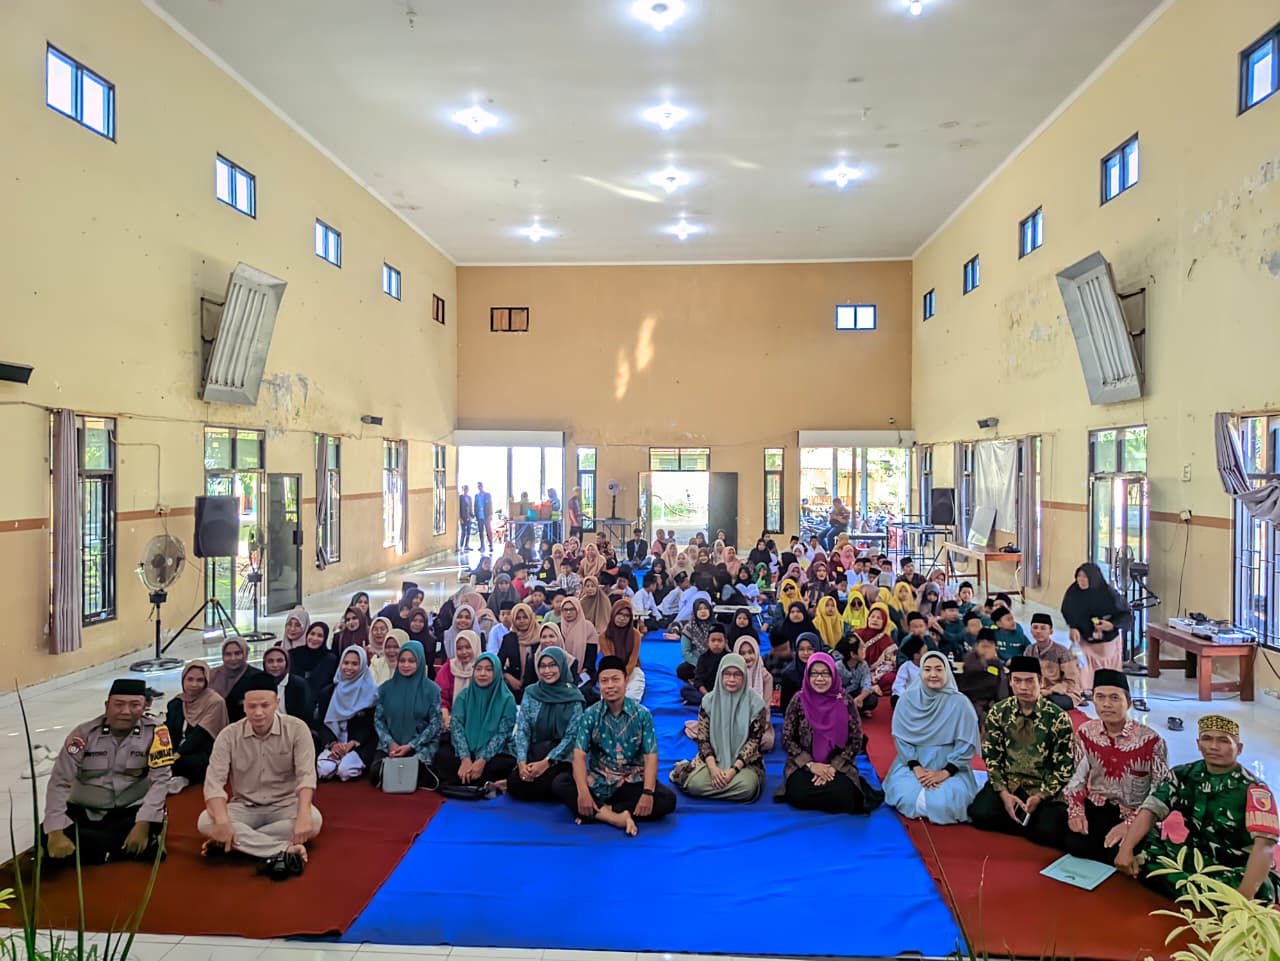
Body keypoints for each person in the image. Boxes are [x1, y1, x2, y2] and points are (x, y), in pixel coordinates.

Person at [1116, 715, 1279, 902]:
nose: (1213, 747)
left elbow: (1265, 847)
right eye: (1207, 739)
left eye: (1224, 741)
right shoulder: (1182, 774)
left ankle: (1199, 892)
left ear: (1239, 748)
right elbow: (1151, 809)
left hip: (1234, 867)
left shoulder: (1255, 790)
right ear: (1198, 744)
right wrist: (1126, 849)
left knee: (1258, 891)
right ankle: (1198, 893)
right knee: (1137, 847)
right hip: (1192, 856)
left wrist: (1243, 898)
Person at [199, 673, 319, 878]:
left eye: (265, 705)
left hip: (285, 804)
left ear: (277, 703)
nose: (258, 713)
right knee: (205, 821)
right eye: (252, 706)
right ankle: (283, 849)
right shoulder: (228, 735)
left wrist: (304, 813)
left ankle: (232, 842)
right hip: (244, 806)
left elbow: (306, 776)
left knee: (314, 821)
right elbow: (213, 784)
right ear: (244, 706)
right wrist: (222, 820)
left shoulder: (297, 729)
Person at [42, 679, 172, 865]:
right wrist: (55, 832)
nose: (126, 711)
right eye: (118, 704)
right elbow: (59, 781)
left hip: (131, 810)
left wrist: (143, 823)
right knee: (46, 832)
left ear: (145, 707)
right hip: (85, 811)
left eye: (134, 705)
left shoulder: (156, 734)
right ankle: (124, 849)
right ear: (106, 705)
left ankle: (95, 851)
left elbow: (161, 780)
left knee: (155, 818)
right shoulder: (83, 734)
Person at [550, 656, 676, 835]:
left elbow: (651, 757)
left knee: (667, 800)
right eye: (604, 681)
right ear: (599, 684)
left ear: (626, 680)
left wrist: (647, 793)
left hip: (631, 781)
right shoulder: (590, 715)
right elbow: (578, 755)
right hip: (599, 781)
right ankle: (616, 817)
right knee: (560, 783)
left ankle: (600, 812)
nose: (610, 686)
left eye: (615, 679)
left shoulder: (642, 715)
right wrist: (583, 792)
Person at [1064, 669, 1170, 865]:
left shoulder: (1151, 740)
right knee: (1073, 841)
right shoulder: (1086, 733)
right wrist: (1076, 811)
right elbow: (1076, 778)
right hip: (1099, 806)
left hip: (1136, 812)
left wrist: (1130, 824)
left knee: (1121, 851)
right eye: (1100, 697)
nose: (1106, 704)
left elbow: (1160, 791)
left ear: (1128, 703)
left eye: (1114, 698)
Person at [967, 656, 1074, 846]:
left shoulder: (1058, 718)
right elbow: (992, 758)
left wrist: (1040, 796)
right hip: (1010, 783)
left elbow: (1064, 767)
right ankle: (1023, 822)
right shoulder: (998, 712)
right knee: (979, 814)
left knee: (1048, 833)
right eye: (1017, 680)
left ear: (1041, 682)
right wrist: (1003, 793)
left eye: (1030, 681)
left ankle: (1025, 822)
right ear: (1010, 682)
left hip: (1043, 788)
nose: (1023, 687)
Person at [883, 651, 981, 824]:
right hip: (913, 761)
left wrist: (945, 772)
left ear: (947, 672)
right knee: (908, 798)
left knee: (944, 803)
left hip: (950, 764)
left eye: (938, 669)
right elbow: (901, 738)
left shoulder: (960, 703)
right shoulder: (907, 700)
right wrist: (916, 767)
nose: (933, 674)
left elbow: (965, 745)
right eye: (927, 669)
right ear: (920, 672)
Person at [779, 652, 880, 815]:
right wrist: (811, 765)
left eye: (825, 673)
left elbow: (855, 740)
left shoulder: (845, 701)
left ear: (833, 674)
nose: (820, 679)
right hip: (803, 765)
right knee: (798, 793)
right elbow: (787, 738)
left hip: (838, 766)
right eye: (814, 674)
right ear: (808, 676)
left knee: (844, 794)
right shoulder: (799, 700)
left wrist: (832, 767)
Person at [671, 654, 768, 802]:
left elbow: (753, 743)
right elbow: (703, 739)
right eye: (727, 674)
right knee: (694, 784)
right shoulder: (709, 701)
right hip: (712, 761)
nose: (731, 679)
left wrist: (732, 771)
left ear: (744, 676)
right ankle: (722, 786)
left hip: (743, 765)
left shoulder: (756, 704)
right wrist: (713, 769)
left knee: (748, 787)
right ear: (720, 675)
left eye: (737, 675)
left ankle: (717, 786)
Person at [509, 647, 586, 802]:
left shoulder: (573, 697)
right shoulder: (531, 692)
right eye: (542, 666)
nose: (547, 671)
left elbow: (572, 737)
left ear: (562, 666)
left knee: (554, 785)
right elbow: (523, 729)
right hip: (537, 751)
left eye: (552, 665)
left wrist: (547, 762)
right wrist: (522, 762)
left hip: (562, 757)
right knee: (515, 782)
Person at [369, 640, 445, 789]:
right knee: (375, 774)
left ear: (420, 662)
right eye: (402, 660)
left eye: (411, 661)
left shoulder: (431, 690)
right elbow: (378, 719)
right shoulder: (386, 688)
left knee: (415, 768)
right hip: (391, 746)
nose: (406, 665)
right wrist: (390, 743)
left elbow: (435, 723)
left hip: (420, 745)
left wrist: (411, 745)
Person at [435, 652, 517, 788]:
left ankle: (463, 780)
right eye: (478, 669)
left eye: (488, 669)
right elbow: (457, 728)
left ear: (497, 672)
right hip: (466, 749)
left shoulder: (507, 699)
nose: (482, 674)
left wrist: (482, 760)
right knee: (442, 756)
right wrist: (465, 758)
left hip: (494, 753)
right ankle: (481, 782)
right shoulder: (464, 696)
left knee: (503, 765)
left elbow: (502, 735)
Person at [1061, 562, 1132, 695]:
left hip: (1106, 642)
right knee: (1077, 659)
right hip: (1084, 638)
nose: (1081, 580)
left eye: (1085, 577)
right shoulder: (1074, 592)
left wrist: (1111, 625)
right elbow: (1068, 611)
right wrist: (1073, 627)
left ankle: (1103, 689)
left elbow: (1126, 614)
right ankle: (1081, 690)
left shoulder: (1108, 594)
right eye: (1079, 576)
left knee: (1104, 667)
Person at [316, 647, 379, 782]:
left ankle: (345, 763)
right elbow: (321, 723)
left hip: (359, 744)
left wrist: (353, 743)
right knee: (324, 770)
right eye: (346, 663)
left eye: (355, 664)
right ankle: (336, 761)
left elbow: (371, 725)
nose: (349, 667)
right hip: (334, 742)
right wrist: (333, 744)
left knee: (345, 771)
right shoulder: (328, 692)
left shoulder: (371, 693)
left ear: (362, 666)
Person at [165, 661, 228, 793]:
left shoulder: (215, 702)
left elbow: (201, 734)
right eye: (190, 679)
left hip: (204, 751)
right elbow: (169, 732)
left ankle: (184, 779)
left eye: (200, 680)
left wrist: (177, 754)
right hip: (178, 750)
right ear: (183, 679)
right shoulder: (176, 703)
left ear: (206, 681)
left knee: (187, 763)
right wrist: (165, 753)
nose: (194, 684)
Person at [1025, 613, 1081, 710]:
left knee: (1050, 704)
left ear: (1051, 631)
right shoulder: (1029, 650)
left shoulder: (1062, 652)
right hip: (1038, 691)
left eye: (1043, 628)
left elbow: (1071, 681)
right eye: (1035, 627)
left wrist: (1051, 691)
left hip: (1063, 693)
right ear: (1031, 630)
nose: (1038, 631)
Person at [957, 628, 1009, 730]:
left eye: (989, 646)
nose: (986, 649)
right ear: (976, 645)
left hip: (990, 703)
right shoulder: (970, 658)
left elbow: (1002, 685)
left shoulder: (996, 663)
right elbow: (971, 672)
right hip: (970, 701)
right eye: (983, 645)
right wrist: (985, 662)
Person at [598, 600, 645, 700]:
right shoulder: (604, 637)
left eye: (626, 616)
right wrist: (618, 678)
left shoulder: (635, 634)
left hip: (632, 670)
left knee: (632, 697)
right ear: (613, 614)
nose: (622, 618)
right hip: (612, 670)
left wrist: (625, 676)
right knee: (609, 698)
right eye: (619, 614)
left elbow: (633, 660)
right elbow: (611, 660)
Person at [734, 637, 776, 748]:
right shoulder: (732, 675)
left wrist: (760, 727)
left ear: (757, 653)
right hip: (733, 722)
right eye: (742, 653)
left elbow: (766, 708)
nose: (747, 657)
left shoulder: (766, 678)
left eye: (750, 652)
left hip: (758, 722)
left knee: (767, 741)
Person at [210, 637, 261, 722]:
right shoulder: (212, 675)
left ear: (246, 654)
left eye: (237, 653)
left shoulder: (257, 677)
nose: (233, 658)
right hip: (214, 726)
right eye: (228, 654)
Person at [259, 645, 315, 723]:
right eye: (270, 661)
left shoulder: (299, 685)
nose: (275, 665)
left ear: (287, 663)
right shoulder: (258, 683)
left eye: (280, 661)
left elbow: (306, 716)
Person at [498, 602, 542, 699]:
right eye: (518, 618)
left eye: (525, 617)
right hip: (515, 689)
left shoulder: (540, 637)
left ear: (531, 618)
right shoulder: (509, 639)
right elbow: (497, 663)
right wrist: (507, 676)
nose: (522, 621)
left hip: (538, 689)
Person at [438, 629, 479, 728]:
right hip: (451, 719)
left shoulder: (483, 668)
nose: (464, 652)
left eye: (468, 647)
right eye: (459, 648)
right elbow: (440, 696)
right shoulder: (449, 668)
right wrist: (445, 716)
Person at [681, 625, 729, 706]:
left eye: (719, 641)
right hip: (707, 692)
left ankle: (709, 702)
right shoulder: (703, 658)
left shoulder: (729, 657)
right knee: (685, 690)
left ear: (725, 642)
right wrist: (707, 695)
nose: (716, 644)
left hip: (726, 692)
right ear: (707, 643)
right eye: (713, 640)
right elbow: (699, 681)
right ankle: (710, 701)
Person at [834, 634, 879, 718]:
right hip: (842, 696)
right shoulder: (837, 667)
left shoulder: (863, 664)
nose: (863, 651)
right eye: (861, 648)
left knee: (873, 700)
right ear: (853, 654)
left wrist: (860, 698)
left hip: (856, 694)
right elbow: (836, 689)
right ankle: (852, 711)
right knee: (837, 703)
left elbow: (867, 684)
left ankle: (853, 710)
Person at [891, 635, 927, 708]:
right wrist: (907, 697)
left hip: (923, 696)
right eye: (924, 652)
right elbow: (898, 686)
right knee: (895, 700)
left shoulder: (929, 666)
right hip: (908, 696)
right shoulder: (906, 667)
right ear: (916, 655)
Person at [472, 482, 494, 552]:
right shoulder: (476, 496)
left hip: (486, 516)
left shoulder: (487, 495)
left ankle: (491, 545)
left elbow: (490, 505)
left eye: (480, 486)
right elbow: (475, 506)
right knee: (481, 532)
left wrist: (490, 514)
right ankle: (482, 546)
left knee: (488, 531)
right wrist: (475, 515)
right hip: (479, 517)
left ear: (482, 486)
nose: (479, 487)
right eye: (478, 486)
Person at [458, 482, 473, 551]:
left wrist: (471, 516)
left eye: (466, 489)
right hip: (463, 517)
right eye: (464, 489)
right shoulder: (460, 497)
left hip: (469, 517)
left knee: (468, 532)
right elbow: (459, 508)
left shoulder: (469, 498)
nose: (465, 490)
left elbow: (470, 507)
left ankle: (466, 545)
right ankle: (461, 545)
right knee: (463, 532)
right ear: (462, 489)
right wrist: (460, 518)